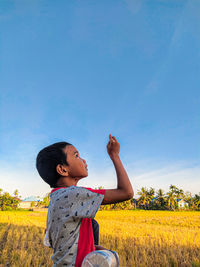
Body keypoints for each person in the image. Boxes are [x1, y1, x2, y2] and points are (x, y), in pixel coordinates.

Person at [36, 134, 134, 267]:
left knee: (93, 224)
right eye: (76, 156)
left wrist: (94, 249)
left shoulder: (55, 198)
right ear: (62, 169)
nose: (83, 160)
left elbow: (58, 242)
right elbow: (126, 192)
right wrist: (114, 155)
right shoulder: (73, 194)